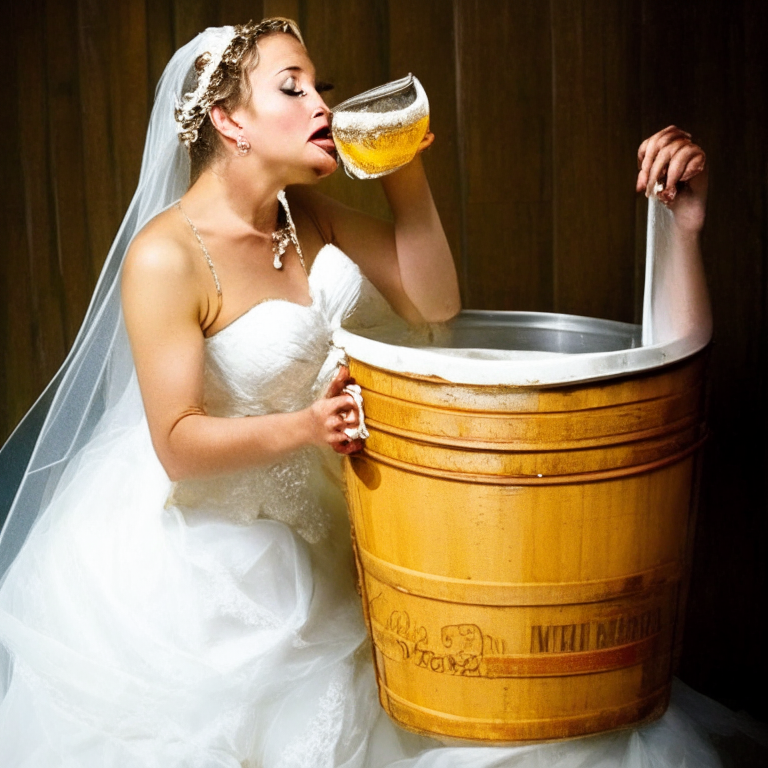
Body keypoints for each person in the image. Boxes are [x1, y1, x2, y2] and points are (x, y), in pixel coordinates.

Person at [0, 17, 762, 768]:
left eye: (319, 87)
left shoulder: (305, 218)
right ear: (230, 120)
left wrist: (404, 173)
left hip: (333, 505)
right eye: (291, 88)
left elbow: (434, 303)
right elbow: (176, 445)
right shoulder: (165, 257)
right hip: (220, 536)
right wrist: (306, 426)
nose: (322, 107)